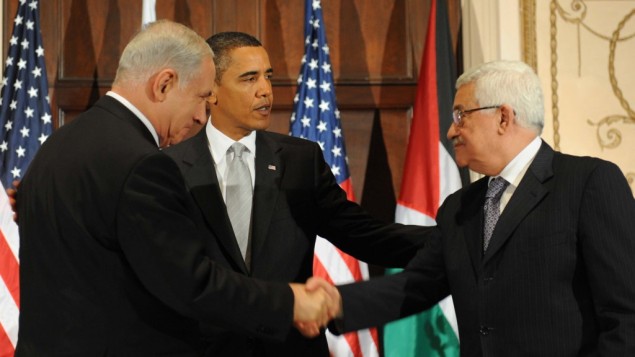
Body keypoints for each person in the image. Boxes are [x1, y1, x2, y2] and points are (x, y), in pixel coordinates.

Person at [15, 20, 336, 356]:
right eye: (201, 97)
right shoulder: (142, 165)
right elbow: (191, 284)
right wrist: (290, 302)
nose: (202, 116)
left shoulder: (57, 145)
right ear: (164, 84)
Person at [329, 60, 635, 355]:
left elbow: (626, 313)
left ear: (504, 117)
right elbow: (416, 285)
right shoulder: (459, 209)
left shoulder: (587, 183)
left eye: (461, 115)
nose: (451, 131)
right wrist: (331, 303)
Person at [163, 31, 430, 356]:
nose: (265, 90)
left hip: (289, 347)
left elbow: (365, 235)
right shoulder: (168, 168)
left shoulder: (301, 160)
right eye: (249, 78)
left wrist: (456, 242)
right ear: (212, 90)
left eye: (268, 76)